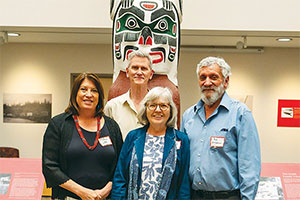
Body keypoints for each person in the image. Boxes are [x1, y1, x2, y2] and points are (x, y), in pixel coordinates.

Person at [180, 57, 261, 200]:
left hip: (227, 196)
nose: (207, 82)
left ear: (226, 81)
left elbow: (249, 167)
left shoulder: (240, 114)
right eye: (202, 77)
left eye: (214, 77)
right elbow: (182, 161)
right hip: (194, 196)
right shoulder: (188, 116)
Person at [42, 72, 123, 200]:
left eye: (94, 91)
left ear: (99, 96)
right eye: (83, 89)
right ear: (75, 94)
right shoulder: (58, 124)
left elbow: (121, 166)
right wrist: (82, 192)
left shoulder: (112, 127)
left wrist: (105, 191)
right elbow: (49, 167)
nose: (89, 94)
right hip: (68, 197)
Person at [111, 87, 190, 200]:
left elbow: (184, 184)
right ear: (145, 109)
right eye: (152, 105)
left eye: (163, 106)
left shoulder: (181, 140)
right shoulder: (132, 137)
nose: (158, 110)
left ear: (171, 110)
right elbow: (120, 177)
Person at [104, 50, 154, 140]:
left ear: (151, 74)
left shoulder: (161, 107)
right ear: (127, 72)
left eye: (144, 68)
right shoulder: (112, 107)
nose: (139, 72)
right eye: (135, 68)